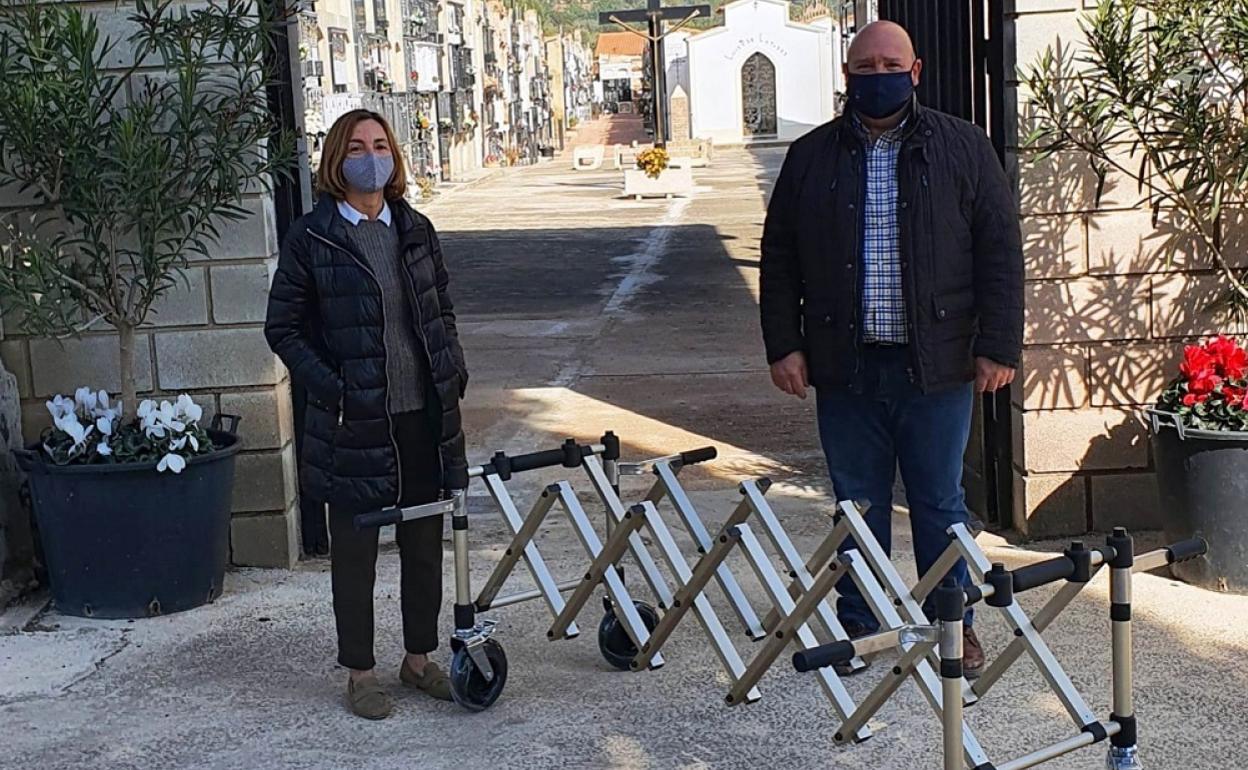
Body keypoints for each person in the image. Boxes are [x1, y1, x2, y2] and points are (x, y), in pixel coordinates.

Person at [759, 21, 1023, 678]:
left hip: (937, 364)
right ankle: (861, 622)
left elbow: (999, 252)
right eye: (865, 66)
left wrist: (997, 345)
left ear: (916, 70)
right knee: (857, 503)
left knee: (939, 502)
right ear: (847, 75)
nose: (878, 75)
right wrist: (784, 344)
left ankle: (952, 622)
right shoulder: (811, 157)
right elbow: (780, 257)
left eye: (890, 64)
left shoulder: (963, 147)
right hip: (845, 365)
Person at [264, 109, 469, 718]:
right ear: (336, 159)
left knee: (424, 543)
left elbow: (441, 309)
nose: (371, 157)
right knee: (355, 553)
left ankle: (419, 660)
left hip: (422, 415)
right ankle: (360, 672)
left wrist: (452, 369)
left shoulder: (416, 228)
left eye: (381, 145)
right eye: (357, 147)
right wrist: (337, 389)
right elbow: (282, 328)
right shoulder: (314, 237)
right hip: (355, 423)